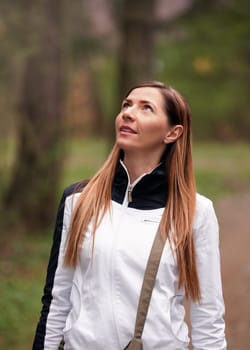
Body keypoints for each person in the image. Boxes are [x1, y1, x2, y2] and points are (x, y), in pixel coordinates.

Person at [33, 81, 227, 349]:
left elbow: (208, 316)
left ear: (172, 133)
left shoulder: (195, 212)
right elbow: (56, 299)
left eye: (146, 108)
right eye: (126, 105)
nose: (128, 113)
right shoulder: (78, 200)